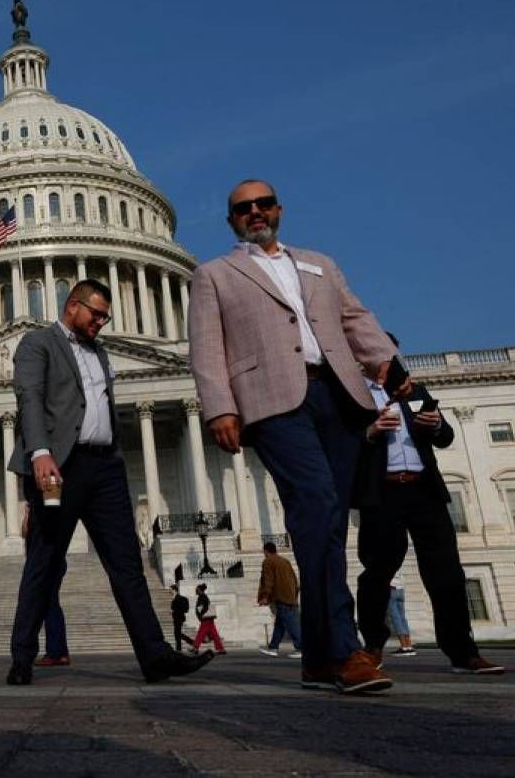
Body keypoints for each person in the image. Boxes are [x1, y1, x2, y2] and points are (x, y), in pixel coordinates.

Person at [188, 179, 404, 694]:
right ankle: (346, 650)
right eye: (243, 208)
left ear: (278, 210)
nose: (255, 213)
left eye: (263, 204)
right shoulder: (214, 274)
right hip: (272, 401)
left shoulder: (320, 264)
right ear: (231, 220)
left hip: (337, 394)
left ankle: (317, 658)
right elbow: (206, 346)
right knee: (317, 502)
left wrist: (390, 370)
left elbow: (355, 319)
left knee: (323, 523)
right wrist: (220, 406)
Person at [7, 281, 212, 686]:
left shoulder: (100, 352)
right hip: (58, 467)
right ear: (72, 306)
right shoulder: (38, 343)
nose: (102, 322)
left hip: (105, 468)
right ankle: (22, 657)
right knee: (44, 564)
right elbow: (28, 396)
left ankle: (155, 657)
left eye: (106, 316)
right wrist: (40, 451)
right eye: (96, 314)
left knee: (128, 565)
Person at [354, 361, 504, 675]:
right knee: (378, 572)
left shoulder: (416, 392)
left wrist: (435, 424)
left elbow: (445, 437)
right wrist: (369, 432)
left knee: (447, 573)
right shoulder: (354, 395)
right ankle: (372, 647)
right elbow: (341, 445)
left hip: (425, 491)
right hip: (383, 493)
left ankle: (463, 652)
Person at [21, 503, 70, 667]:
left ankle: (55, 652)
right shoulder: (36, 512)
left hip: (49, 562)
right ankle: (61, 652)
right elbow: (24, 533)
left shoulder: (50, 512)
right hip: (48, 561)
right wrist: (28, 513)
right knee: (52, 605)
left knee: (49, 605)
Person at [257, 542, 302, 658]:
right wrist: (295, 594)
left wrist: (265, 597)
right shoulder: (285, 561)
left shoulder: (268, 561)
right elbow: (294, 578)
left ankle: (301, 648)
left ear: (266, 551)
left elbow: (268, 580)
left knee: (291, 623)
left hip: (281, 596)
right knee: (280, 623)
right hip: (290, 595)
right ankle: (273, 647)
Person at [191, 584, 226, 655]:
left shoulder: (202, 597)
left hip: (206, 619)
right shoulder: (203, 596)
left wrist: (201, 614)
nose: (195, 591)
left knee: (201, 633)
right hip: (209, 619)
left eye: (196, 589)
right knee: (214, 634)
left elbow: (205, 607)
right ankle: (221, 649)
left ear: (200, 590)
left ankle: (195, 648)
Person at [385, 576, 415, 657]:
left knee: (396, 619)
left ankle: (404, 647)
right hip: (400, 589)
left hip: (391, 589)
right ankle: (409, 646)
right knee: (402, 618)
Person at [169, 585, 196, 653]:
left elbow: (183, 609)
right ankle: (188, 644)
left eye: (170, 589)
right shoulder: (174, 598)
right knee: (177, 633)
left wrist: (174, 611)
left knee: (177, 633)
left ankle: (182, 647)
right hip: (176, 618)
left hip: (179, 618)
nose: (169, 591)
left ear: (174, 590)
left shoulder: (180, 598)